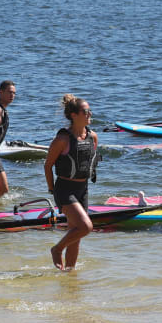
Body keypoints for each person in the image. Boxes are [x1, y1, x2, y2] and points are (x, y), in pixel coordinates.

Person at [44, 94, 99, 270]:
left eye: (90, 111)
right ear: (74, 115)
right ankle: (57, 249)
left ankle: (69, 277)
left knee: (76, 237)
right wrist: (52, 190)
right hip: (64, 189)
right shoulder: (63, 139)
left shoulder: (93, 137)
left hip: (83, 189)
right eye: (85, 111)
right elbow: (48, 166)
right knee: (86, 227)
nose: (90, 114)